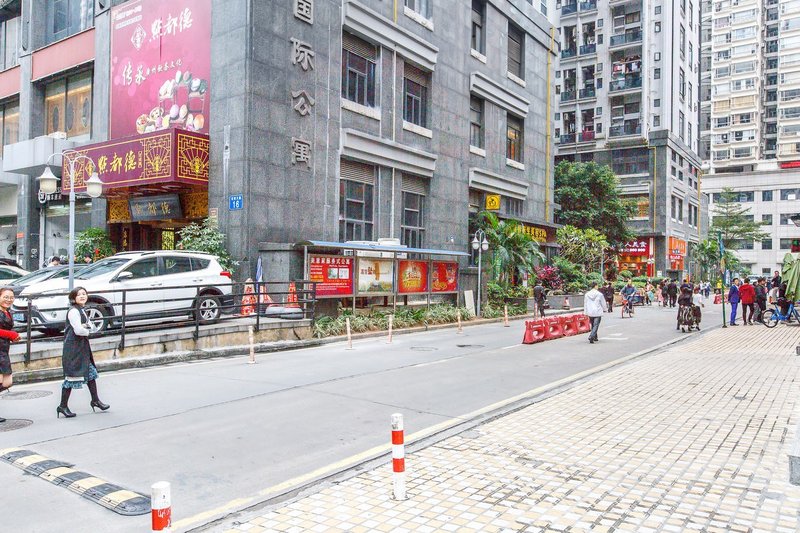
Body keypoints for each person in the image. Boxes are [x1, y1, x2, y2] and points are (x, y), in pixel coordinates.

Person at [57, 287, 110, 418]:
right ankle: (62, 406)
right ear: (73, 297)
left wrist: (86, 328)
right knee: (71, 377)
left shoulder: (82, 310)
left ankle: (95, 400)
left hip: (82, 346)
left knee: (91, 373)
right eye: (79, 294)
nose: (82, 296)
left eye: (84, 294)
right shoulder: (73, 311)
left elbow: (90, 325)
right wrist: (87, 330)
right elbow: (79, 330)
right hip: (73, 349)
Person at [0, 287, 20, 423]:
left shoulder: (7, 312)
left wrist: (13, 337)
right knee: (4, 381)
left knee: (7, 382)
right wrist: (11, 334)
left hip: (3, 349)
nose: (9, 300)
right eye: (5, 297)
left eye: (11, 297)